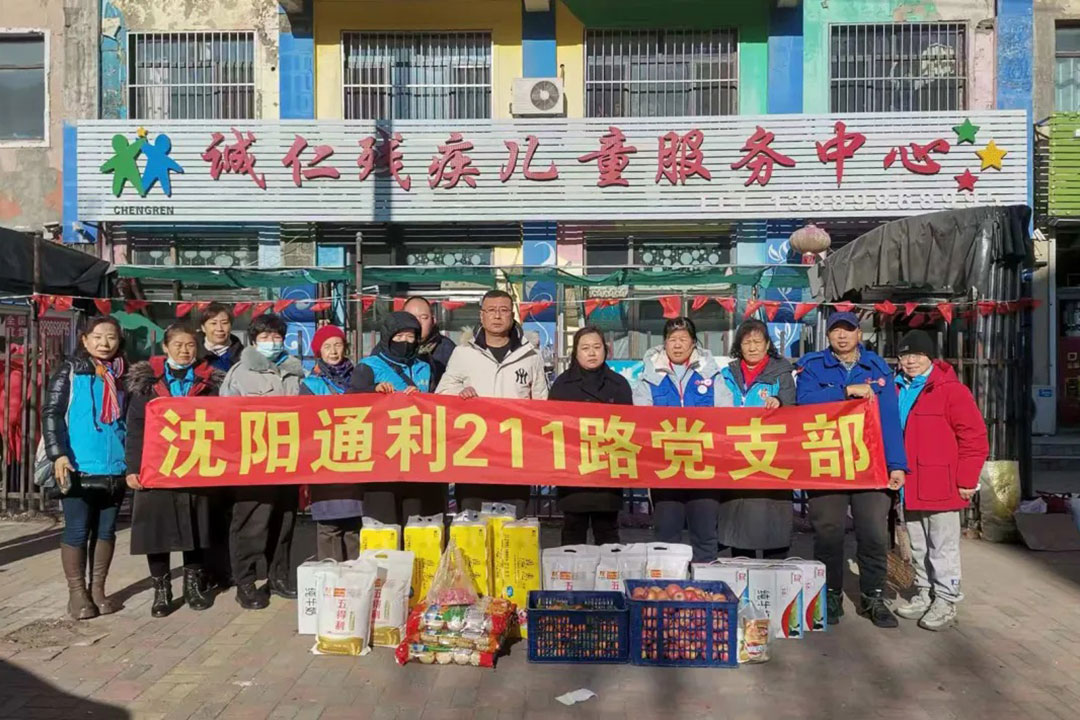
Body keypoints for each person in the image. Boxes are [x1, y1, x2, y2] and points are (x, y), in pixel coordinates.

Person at [796, 311, 908, 629]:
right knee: (828, 534)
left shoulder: (877, 368)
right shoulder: (813, 366)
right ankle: (829, 595)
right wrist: (845, 391)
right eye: (836, 331)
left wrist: (897, 465)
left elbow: (889, 420)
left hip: (869, 465)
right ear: (828, 336)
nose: (842, 336)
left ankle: (873, 596)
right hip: (827, 463)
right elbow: (804, 402)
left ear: (859, 334)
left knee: (872, 534)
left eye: (848, 330)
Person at [891, 330, 988, 631]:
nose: (911, 361)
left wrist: (967, 479)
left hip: (941, 483)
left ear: (930, 357)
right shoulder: (896, 388)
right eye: (905, 355)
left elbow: (974, 437)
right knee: (918, 545)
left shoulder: (951, 391)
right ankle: (925, 592)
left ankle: (946, 598)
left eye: (917, 355)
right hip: (910, 483)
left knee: (942, 546)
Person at [125, 323, 221, 617]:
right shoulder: (147, 383)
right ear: (165, 347)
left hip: (195, 465)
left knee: (195, 526)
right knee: (156, 530)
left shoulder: (209, 382)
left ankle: (193, 586)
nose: (184, 350)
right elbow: (135, 427)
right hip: (157, 467)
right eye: (178, 345)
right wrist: (133, 468)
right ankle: (161, 590)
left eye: (190, 345)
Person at [42, 316, 128, 621]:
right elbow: (52, 413)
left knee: (106, 531)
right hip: (77, 465)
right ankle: (77, 593)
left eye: (111, 337)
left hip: (115, 466)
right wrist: (58, 455)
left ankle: (98, 590)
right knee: (77, 529)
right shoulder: (69, 371)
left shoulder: (124, 374)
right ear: (85, 339)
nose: (104, 343)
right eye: (98, 337)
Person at [436, 290, 548, 517]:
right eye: (491, 310)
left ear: (512, 315)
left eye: (503, 310)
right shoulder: (463, 353)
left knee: (512, 524)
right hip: (473, 455)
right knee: (472, 525)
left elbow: (541, 404)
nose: (497, 316)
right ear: (482, 315)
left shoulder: (531, 356)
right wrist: (460, 393)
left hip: (514, 457)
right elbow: (442, 394)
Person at [219, 313, 305, 610]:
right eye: (265, 337)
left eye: (277, 336)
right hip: (253, 461)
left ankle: (278, 576)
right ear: (254, 341)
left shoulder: (294, 371)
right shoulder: (240, 373)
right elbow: (225, 418)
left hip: (289, 459)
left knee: (284, 520)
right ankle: (245, 582)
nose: (272, 342)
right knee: (251, 524)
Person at [633, 317, 733, 563]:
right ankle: (668, 584)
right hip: (665, 468)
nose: (677, 345)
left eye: (683, 339)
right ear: (664, 343)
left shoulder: (711, 374)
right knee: (666, 538)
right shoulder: (649, 377)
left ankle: (705, 585)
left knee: (705, 536)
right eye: (672, 339)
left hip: (704, 468)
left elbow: (726, 414)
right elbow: (641, 418)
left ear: (693, 343)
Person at [349, 312, 443, 524]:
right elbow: (350, 402)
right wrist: (374, 390)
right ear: (387, 337)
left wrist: (423, 399)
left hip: (418, 456)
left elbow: (439, 401)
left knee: (418, 524)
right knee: (383, 525)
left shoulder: (425, 366)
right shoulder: (368, 366)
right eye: (399, 336)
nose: (405, 342)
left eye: (411, 337)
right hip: (381, 458)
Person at [718, 319, 797, 559]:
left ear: (767, 344)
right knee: (739, 520)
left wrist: (779, 402)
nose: (752, 347)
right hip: (735, 455)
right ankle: (742, 570)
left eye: (757, 342)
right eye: (746, 342)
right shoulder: (726, 374)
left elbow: (793, 408)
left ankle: (776, 571)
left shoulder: (782, 372)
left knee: (772, 517)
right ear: (739, 346)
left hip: (770, 456)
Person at [549, 326, 633, 545]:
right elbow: (552, 428)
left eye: (597, 347)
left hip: (607, 472)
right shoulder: (562, 385)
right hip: (573, 472)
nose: (592, 353)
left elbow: (630, 427)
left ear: (605, 350)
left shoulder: (619, 384)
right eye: (585, 348)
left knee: (607, 534)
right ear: (576, 352)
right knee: (572, 533)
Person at [302, 325, 364, 561]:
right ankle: (331, 574)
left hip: (356, 456)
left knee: (354, 526)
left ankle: (355, 573)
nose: (334, 351)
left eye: (338, 345)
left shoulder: (360, 378)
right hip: (325, 459)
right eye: (327, 347)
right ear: (319, 352)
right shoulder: (311, 384)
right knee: (329, 526)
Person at [405, 296, 457, 389]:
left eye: (424, 317)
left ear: (433, 321)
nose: (417, 322)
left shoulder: (447, 349)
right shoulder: (389, 347)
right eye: (411, 317)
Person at [196, 302, 244, 372]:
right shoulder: (193, 353)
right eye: (213, 323)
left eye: (224, 323)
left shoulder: (242, 356)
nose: (219, 328)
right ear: (203, 327)